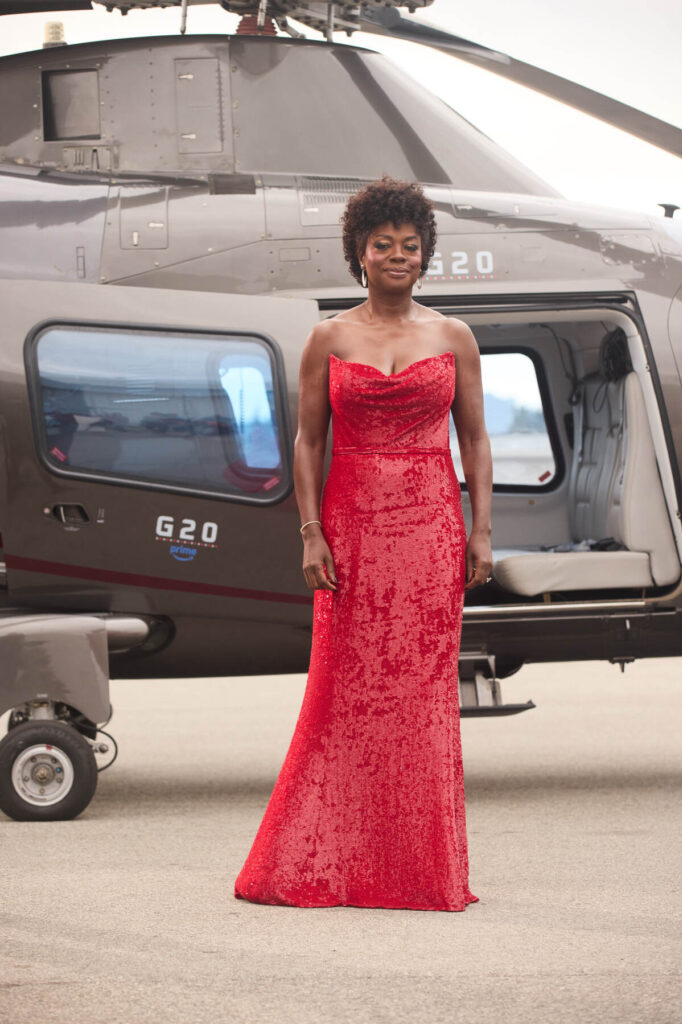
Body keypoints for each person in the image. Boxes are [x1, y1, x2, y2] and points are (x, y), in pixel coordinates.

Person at [234, 175, 493, 911]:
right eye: (383, 245)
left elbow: (473, 440)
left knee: (417, 697)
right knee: (343, 695)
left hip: (429, 530)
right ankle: (328, 859)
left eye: (410, 246)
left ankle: (416, 870)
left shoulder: (452, 337)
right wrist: (309, 532)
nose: (397, 256)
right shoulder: (329, 336)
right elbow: (308, 441)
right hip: (348, 531)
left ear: (424, 255)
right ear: (358, 252)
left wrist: (480, 531)